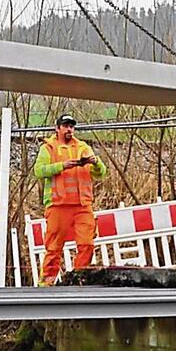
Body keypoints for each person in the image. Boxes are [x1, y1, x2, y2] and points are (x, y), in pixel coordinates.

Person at [33, 113, 108, 285]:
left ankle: (79, 280)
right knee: (53, 249)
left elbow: (101, 173)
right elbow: (39, 171)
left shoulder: (83, 147)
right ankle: (46, 285)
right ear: (57, 128)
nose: (69, 129)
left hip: (82, 206)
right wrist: (62, 166)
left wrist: (95, 162)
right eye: (66, 126)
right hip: (57, 205)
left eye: (71, 126)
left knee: (87, 245)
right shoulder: (49, 148)